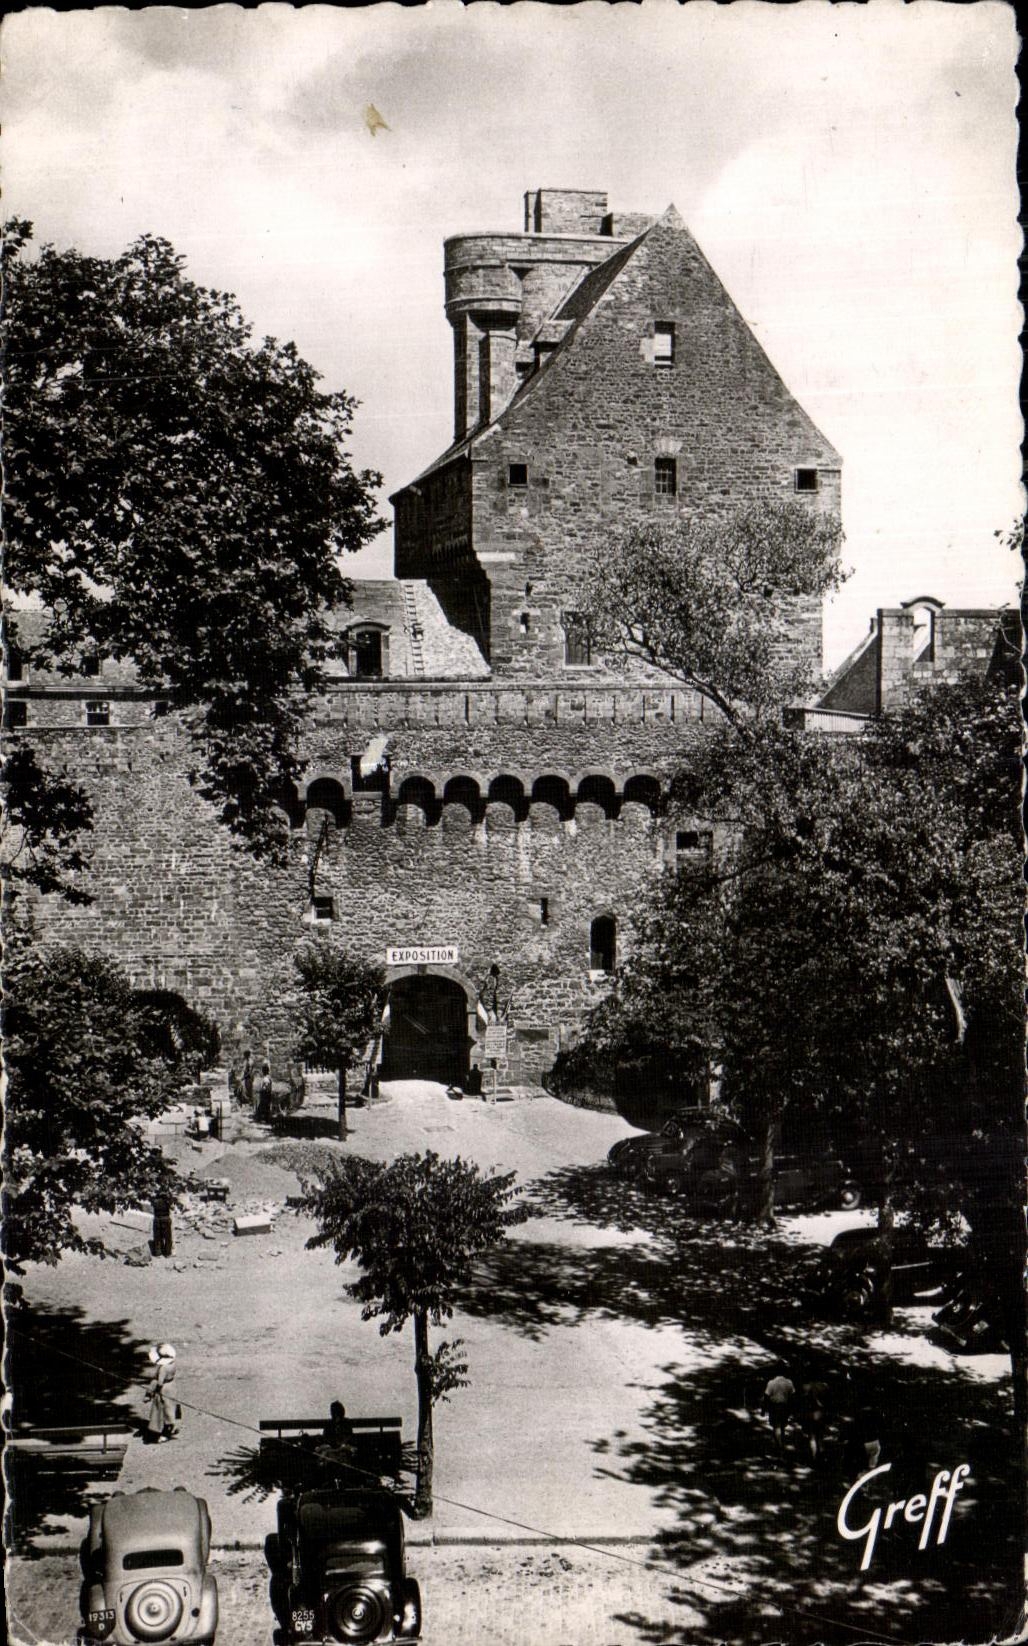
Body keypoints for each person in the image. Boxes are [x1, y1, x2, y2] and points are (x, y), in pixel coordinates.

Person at [145, 1343, 179, 1443]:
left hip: (164, 1389)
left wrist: (153, 1391)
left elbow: (159, 1382)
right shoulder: (173, 1363)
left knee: (162, 1410)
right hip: (172, 1386)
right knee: (171, 1408)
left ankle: (164, 1432)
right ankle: (172, 1426)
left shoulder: (163, 1368)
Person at [762, 1368, 796, 1456]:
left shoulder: (771, 1383)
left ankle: (779, 1446)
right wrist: (792, 1409)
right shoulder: (789, 1382)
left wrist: (763, 1409)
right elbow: (793, 1396)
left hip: (774, 1407)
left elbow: (766, 1396)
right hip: (785, 1407)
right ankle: (781, 1443)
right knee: (782, 1426)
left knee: (776, 1427)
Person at [151, 1191, 173, 1258]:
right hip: (165, 1218)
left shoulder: (154, 1200)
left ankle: (158, 1252)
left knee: (157, 1236)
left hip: (157, 1218)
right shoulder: (167, 1200)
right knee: (167, 1237)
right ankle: (167, 1253)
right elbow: (172, 1206)